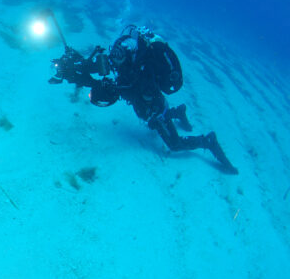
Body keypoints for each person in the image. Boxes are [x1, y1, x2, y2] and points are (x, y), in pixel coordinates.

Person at [50, 25, 238, 174]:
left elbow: (140, 92)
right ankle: (179, 112)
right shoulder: (123, 63)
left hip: (155, 109)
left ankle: (207, 141)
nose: (115, 61)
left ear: (129, 56)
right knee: (152, 123)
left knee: (174, 144)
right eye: (115, 55)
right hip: (145, 108)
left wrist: (116, 88)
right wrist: (75, 68)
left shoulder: (141, 73)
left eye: (119, 58)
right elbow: (97, 68)